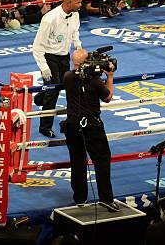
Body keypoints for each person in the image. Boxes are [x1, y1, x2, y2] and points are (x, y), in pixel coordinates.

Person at [61, 48, 118, 212]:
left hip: (72, 126)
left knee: (77, 161)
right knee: (102, 160)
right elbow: (108, 97)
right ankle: (106, 199)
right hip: (91, 126)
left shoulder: (68, 76)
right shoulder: (94, 81)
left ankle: (80, 198)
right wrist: (110, 76)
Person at [32, 0, 82, 138]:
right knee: (53, 92)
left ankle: (40, 97)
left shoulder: (75, 14)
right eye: (78, 2)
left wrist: (78, 46)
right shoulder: (49, 19)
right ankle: (45, 127)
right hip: (49, 57)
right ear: (68, 3)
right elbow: (37, 46)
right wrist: (43, 66)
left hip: (64, 56)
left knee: (60, 87)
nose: (81, 5)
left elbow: (75, 32)